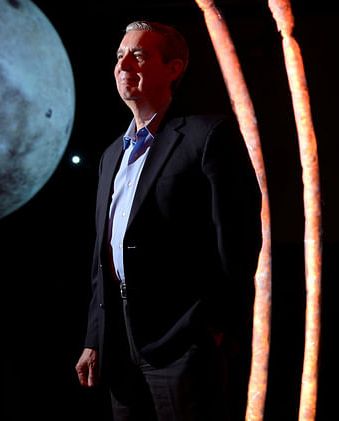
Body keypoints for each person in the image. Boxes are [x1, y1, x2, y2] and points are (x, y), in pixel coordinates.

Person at [75, 21, 262, 421]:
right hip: (119, 345)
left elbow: (239, 239)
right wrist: (95, 337)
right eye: (120, 55)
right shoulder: (112, 154)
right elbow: (103, 256)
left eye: (138, 55)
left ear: (174, 68)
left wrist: (215, 326)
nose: (124, 63)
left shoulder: (207, 135)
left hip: (183, 339)